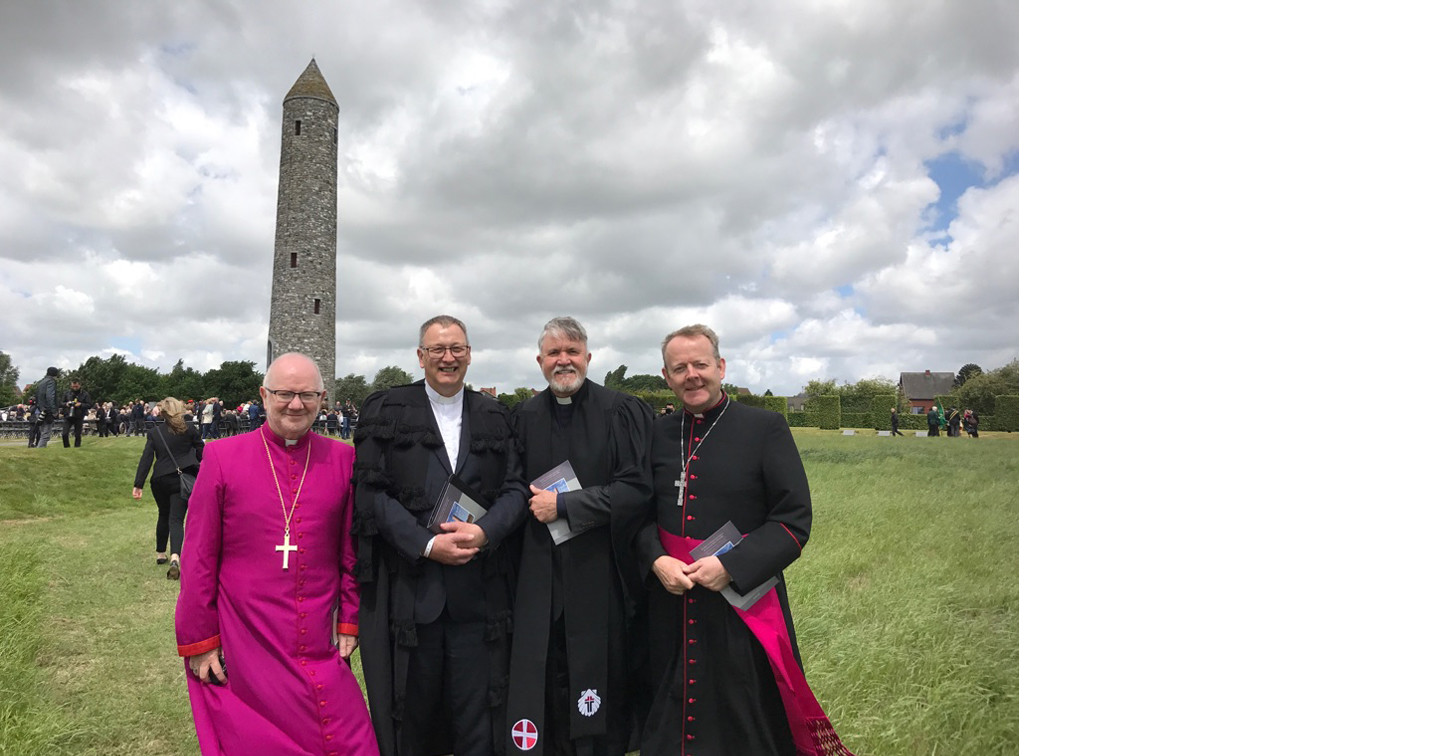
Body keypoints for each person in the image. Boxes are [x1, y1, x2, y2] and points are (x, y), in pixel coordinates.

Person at [634, 324, 852, 756]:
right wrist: (656, 560)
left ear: (721, 366)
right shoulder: (657, 433)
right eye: (680, 368)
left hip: (743, 606)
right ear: (666, 376)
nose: (692, 375)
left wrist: (731, 567)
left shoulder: (764, 427)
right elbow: (637, 514)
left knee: (746, 724)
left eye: (701, 364)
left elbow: (793, 521)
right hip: (670, 602)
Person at [174, 353, 377, 756]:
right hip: (247, 636)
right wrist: (200, 640)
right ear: (264, 395)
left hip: (319, 632)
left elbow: (351, 552)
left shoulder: (343, 459)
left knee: (351, 740)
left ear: (322, 399)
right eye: (285, 393)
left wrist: (350, 621)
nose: (295, 405)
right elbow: (197, 555)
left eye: (307, 395)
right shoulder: (221, 457)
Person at [353, 315, 529, 756]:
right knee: (412, 714)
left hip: (480, 594)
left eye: (457, 349)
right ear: (420, 356)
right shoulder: (386, 410)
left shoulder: (496, 413)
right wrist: (427, 544)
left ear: (469, 354)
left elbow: (515, 488)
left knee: (478, 717)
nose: (448, 358)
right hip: (412, 595)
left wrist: (485, 532)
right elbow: (370, 493)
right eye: (437, 350)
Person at [505, 317, 652, 756]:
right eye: (554, 353)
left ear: (588, 357)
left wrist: (566, 506)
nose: (563, 360)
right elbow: (512, 486)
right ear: (539, 361)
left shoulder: (621, 411)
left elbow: (637, 490)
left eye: (572, 351)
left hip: (599, 567)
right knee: (545, 668)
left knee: (596, 669)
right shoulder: (524, 416)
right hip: (540, 570)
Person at [133, 397, 204, 579]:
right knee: (176, 518)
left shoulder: (155, 432)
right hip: (181, 479)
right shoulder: (189, 429)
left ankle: (160, 553)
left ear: (162, 413)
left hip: (160, 479)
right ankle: (175, 557)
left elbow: (146, 459)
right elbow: (202, 453)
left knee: (163, 514)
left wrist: (138, 484)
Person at [33, 368, 59, 448]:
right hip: (48, 410)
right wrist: (54, 410)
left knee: (42, 432)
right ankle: (40, 451)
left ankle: (40, 449)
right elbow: (50, 396)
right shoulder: (51, 382)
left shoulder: (41, 382)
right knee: (46, 434)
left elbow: (36, 396)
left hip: (40, 410)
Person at [62, 379, 92, 447]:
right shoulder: (67, 393)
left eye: (76, 386)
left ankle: (77, 447)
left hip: (79, 415)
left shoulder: (85, 394)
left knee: (77, 434)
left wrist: (80, 404)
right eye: (73, 386)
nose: (75, 388)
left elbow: (89, 404)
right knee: (64, 433)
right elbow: (61, 403)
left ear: (79, 385)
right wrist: (66, 404)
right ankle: (66, 447)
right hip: (68, 415)